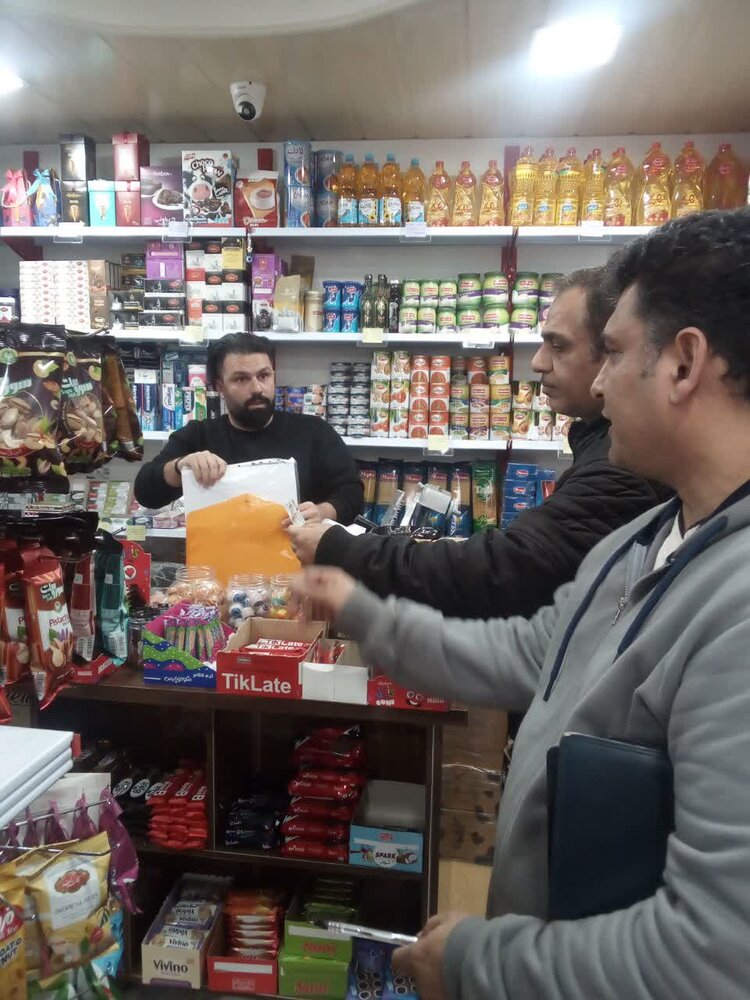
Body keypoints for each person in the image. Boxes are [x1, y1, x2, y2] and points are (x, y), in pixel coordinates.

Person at [292, 210, 750, 999]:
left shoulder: (738, 610)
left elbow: (710, 955)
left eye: (612, 352)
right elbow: (531, 653)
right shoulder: (640, 540)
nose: (596, 384)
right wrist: (364, 610)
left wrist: (481, 961)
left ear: (684, 364)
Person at [288, 268, 669, 620]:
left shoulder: (622, 469)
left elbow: (503, 572)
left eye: (558, 346)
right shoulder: (600, 444)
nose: (538, 363)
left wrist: (342, 550)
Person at [134, 332, 363, 525]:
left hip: (298, 561)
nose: (257, 388)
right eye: (241, 379)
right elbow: (146, 493)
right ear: (219, 386)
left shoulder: (314, 432)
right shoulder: (199, 436)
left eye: (264, 376)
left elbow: (352, 493)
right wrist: (179, 467)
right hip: (220, 562)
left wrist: (323, 512)